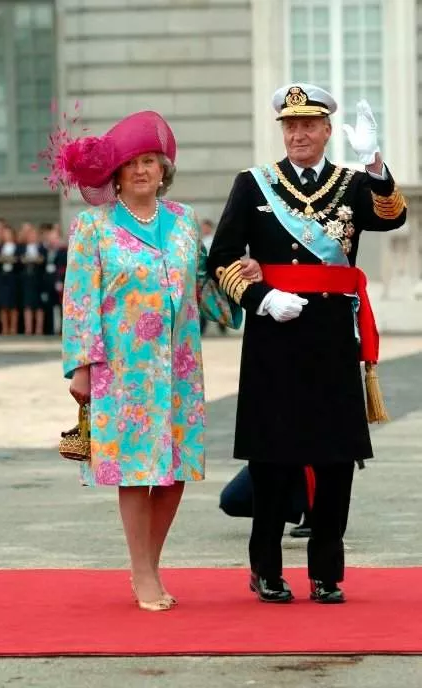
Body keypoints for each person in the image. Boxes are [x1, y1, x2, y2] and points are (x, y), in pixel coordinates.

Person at [42, 109, 261, 611]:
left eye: (150, 161)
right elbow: (79, 300)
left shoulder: (183, 221)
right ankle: (142, 572)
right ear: (115, 174)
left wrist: (242, 278)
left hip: (180, 367)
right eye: (131, 163)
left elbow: (207, 290)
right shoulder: (93, 228)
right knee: (137, 471)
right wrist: (80, 366)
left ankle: (149, 563)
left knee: (175, 471)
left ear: (165, 170)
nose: (141, 170)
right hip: (123, 370)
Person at [208, 83, 407, 604]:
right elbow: (222, 257)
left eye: (308, 126)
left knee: (336, 459)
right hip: (275, 338)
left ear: (325, 131)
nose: (298, 134)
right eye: (290, 126)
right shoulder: (254, 185)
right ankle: (266, 569)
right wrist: (260, 298)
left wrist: (375, 163)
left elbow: (393, 217)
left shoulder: (350, 183)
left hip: (332, 340)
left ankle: (326, 570)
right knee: (273, 458)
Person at [18, 224, 47, 336]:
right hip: (26, 278)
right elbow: (19, 260)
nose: (32, 237)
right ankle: (28, 328)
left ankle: (39, 328)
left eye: (34, 235)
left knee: (39, 305)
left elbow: (42, 260)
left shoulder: (41, 248)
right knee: (27, 304)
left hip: (38, 278)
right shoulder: (22, 247)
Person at [200, 219, 227, 337]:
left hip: (213, 274)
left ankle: (223, 327)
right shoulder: (200, 240)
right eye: (203, 227)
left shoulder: (214, 240)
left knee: (218, 302)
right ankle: (202, 329)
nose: (204, 229)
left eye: (206, 227)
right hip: (204, 275)